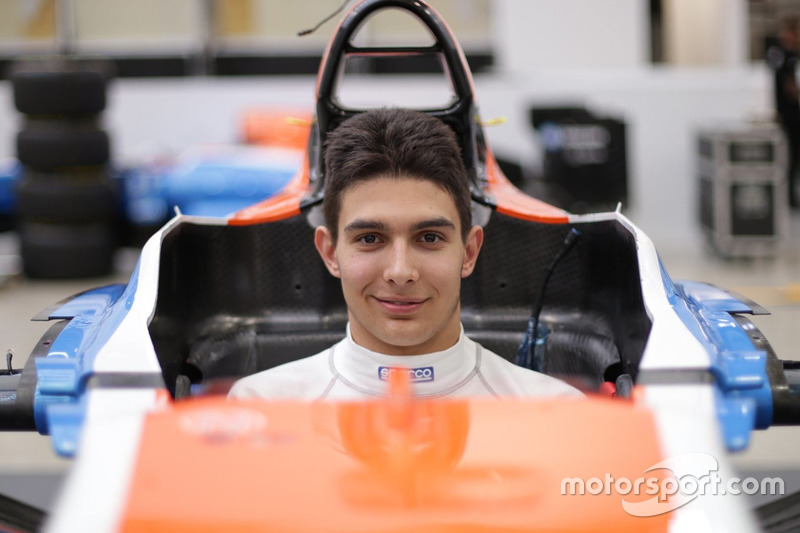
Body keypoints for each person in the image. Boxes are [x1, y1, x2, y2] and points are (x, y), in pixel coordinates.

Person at [228, 108, 582, 400]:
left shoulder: (553, 410)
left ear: (469, 251)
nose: (401, 272)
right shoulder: (261, 406)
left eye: (428, 237)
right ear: (330, 252)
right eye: (370, 239)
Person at [767, 15, 800, 208]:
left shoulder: (793, 56)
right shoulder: (778, 55)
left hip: (794, 113)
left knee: (794, 155)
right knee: (786, 156)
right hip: (787, 115)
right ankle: (787, 197)